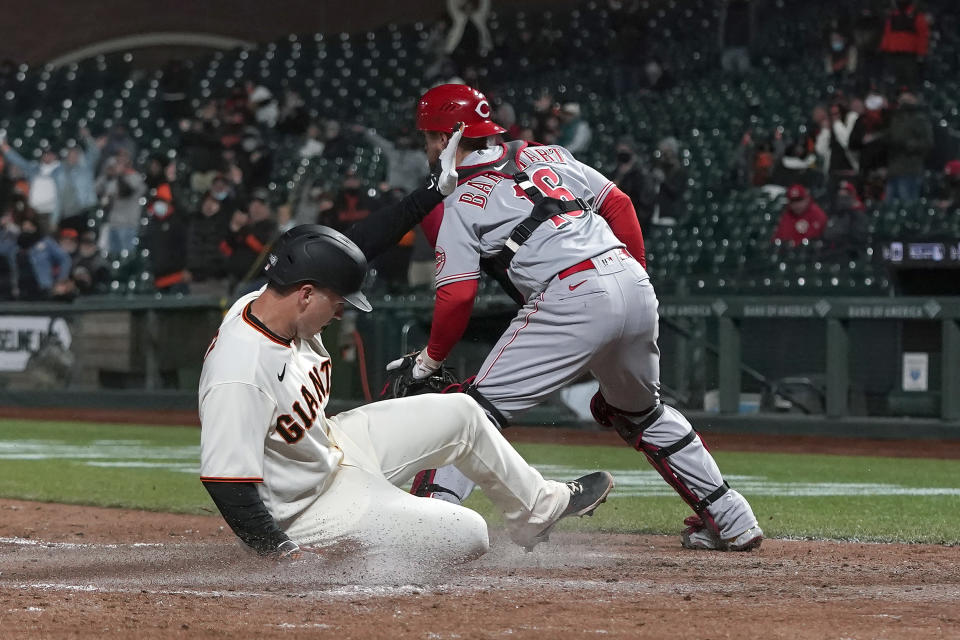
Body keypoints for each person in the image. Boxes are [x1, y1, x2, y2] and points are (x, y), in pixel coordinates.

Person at [395, 83, 762, 552]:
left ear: (451, 136)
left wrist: (430, 358)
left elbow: (457, 296)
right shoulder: (548, 155)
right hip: (628, 277)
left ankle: (427, 531)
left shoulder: (458, 203)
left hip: (570, 293)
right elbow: (620, 205)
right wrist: (633, 279)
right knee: (642, 415)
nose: (427, 145)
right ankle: (733, 519)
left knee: (472, 412)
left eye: (430, 135)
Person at [198, 223, 615, 564]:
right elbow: (227, 483)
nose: (342, 311)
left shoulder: (272, 301)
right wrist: (281, 552)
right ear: (306, 293)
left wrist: (430, 193)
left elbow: (342, 248)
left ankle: (536, 511)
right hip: (307, 510)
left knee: (463, 414)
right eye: (339, 301)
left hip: (332, 447)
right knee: (467, 533)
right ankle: (340, 554)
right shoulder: (240, 372)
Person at [885, 90, 933, 203]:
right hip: (894, 169)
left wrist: (909, 144)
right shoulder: (895, 118)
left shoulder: (919, 119)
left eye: (907, 98)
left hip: (911, 169)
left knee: (907, 206)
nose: (903, 100)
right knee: (889, 207)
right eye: (902, 99)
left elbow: (928, 143)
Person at [879, 0, 929, 89]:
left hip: (909, 56)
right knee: (893, 82)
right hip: (893, 55)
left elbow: (923, 36)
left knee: (909, 82)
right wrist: (884, 48)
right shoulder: (893, 16)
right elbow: (887, 33)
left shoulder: (916, 15)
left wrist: (921, 54)